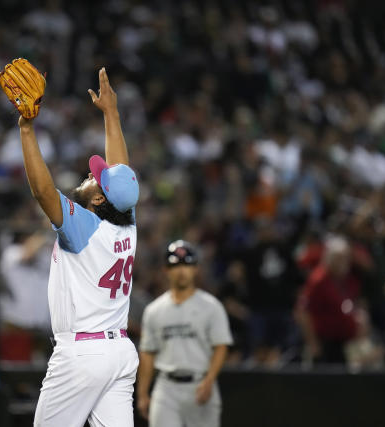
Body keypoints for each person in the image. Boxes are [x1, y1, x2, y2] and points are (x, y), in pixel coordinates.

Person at [19, 68, 140, 427]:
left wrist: (26, 128)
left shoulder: (83, 226)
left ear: (100, 196)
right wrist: (111, 114)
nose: (90, 175)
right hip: (119, 352)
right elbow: (122, 171)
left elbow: (43, 192)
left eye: (94, 178)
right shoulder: (127, 221)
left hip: (82, 354)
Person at [137, 240, 233, 427]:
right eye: (175, 265)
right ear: (166, 270)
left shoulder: (211, 306)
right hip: (166, 387)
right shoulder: (154, 310)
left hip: (200, 383)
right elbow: (147, 352)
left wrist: (210, 379)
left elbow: (221, 347)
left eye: (186, 265)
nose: (181, 271)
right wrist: (142, 394)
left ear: (196, 269)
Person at [295, 234, 361, 364]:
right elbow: (302, 312)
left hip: (343, 344)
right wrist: (313, 344)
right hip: (324, 344)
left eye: (346, 257)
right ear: (328, 258)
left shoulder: (346, 279)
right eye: (339, 258)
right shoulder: (318, 280)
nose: (344, 262)